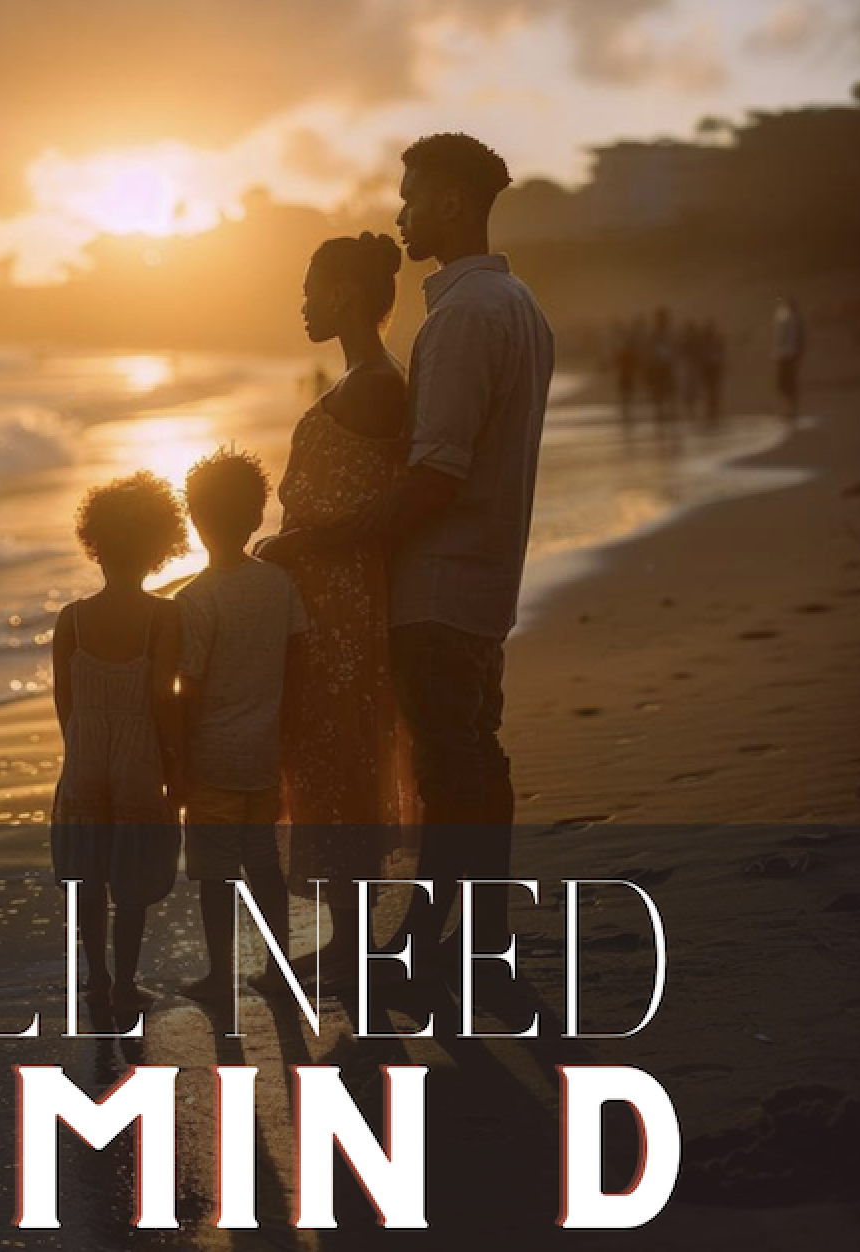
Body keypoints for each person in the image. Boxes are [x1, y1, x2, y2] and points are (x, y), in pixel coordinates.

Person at [268, 134, 554, 988]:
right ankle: (479, 945)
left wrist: (316, 539)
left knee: (449, 771)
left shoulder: (464, 317)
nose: (401, 213)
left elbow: (435, 476)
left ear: (455, 203)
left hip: (438, 581)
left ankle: (429, 950)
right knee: (477, 760)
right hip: (487, 573)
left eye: (413, 196)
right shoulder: (520, 305)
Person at [256, 232, 419, 981]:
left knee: (342, 755)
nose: (303, 304)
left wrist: (300, 545)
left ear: (346, 295)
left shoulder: (378, 382)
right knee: (323, 754)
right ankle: (345, 933)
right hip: (323, 594)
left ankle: (353, 940)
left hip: (343, 597)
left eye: (311, 288)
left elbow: (386, 508)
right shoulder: (364, 374)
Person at [175, 448, 309, 1005]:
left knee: (213, 873)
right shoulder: (278, 583)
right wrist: (288, 733)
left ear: (195, 521)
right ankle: (278, 965)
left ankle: (219, 973)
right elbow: (299, 658)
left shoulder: (195, 598)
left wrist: (177, 759)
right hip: (262, 752)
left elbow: (192, 687)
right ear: (256, 518)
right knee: (263, 865)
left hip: (212, 757)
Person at [50, 472, 186, 1015]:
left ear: (95, 545)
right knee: (130, 881)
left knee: (87, 876)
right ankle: (127, 981)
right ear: (157, 550)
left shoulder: (72, 621)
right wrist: (174, 764)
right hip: (137, 759)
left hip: (83, 758)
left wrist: (80, 750)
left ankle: (97, 977)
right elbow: (162, 698)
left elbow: (66, 704)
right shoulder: (163, 618)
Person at [774, 297, 806, 422]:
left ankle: (790, 410)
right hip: (787, 355)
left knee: (786, 384)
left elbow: (782, 337)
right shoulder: (789, 318)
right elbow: (800, 338)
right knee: (786, 384)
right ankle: (790, 409)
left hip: (787, 355)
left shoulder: (789, 318)